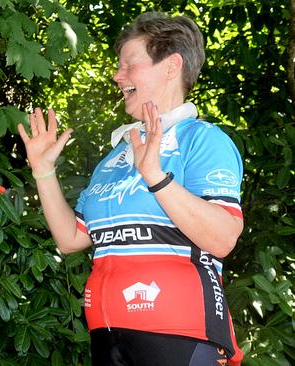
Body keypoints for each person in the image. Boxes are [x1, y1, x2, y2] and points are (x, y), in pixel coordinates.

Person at [17, 11, 244, 366]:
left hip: (180, 334)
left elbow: (223, 237)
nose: (116, 75)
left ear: (171, 66)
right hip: (107, 335)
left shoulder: (203, 140)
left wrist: (156, 176)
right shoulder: (116, 155)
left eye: (128, 64)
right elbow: (71, 238)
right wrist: (43, 172)